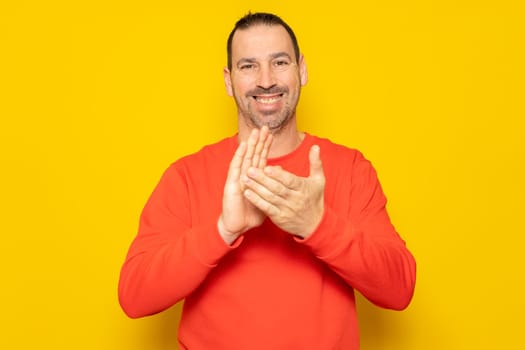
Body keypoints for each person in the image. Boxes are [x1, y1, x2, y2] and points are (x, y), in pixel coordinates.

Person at [118, 12, 416, 350]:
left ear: (301, 70)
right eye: (248, 66)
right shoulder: (186, 176)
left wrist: (317, 225)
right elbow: (135, 296)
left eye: (279, 62)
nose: (265, 80)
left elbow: (399, 289)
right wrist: (223, 230)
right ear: (229, 81)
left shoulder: (349, 169)